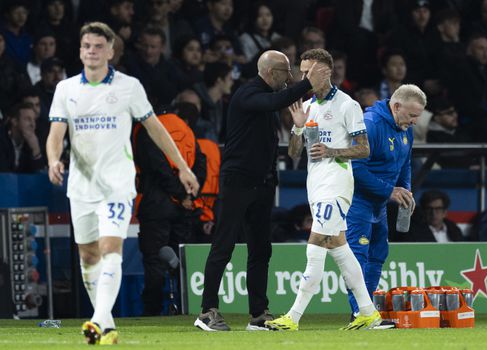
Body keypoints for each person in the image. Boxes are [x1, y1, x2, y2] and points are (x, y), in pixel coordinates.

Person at [46, 22, 199, 345]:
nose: (91, 51)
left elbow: (156, 129)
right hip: (81, 185)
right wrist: (53, 159)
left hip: (117, 183)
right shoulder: (66, 90)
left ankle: (98, 320)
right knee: (88, 255)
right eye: (86, 46)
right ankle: (108, 322)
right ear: (80, 50)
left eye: (98, 46)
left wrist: (183, 167)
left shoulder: (129, 87)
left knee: (111, 247)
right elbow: (56, 134)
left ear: (111, 51)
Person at [194, 50, 330, 332]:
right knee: (224, 245)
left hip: (262, 183)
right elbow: (275, 101)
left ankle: (258, 314)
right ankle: (206, 311)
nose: (290, 77)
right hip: (238, 182)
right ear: (271, 73)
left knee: (261, 250)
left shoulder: (262, 98)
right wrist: (307, 83)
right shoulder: (248, 94)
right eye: (286, 72)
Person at [265, 48, 381, 331]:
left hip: (337, 183)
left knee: (316, 242)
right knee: (337, 244)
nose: (303, 76)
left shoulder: (347, 105)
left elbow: (364, 149)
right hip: (315, 185)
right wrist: (297, 128)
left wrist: (331, 150)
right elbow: (294, 154)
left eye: (308, 71)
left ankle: (293, 317)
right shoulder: (308, 106)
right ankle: (368, 312)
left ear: (325, 71)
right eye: (301, 71)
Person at [345, 84, 426, 323]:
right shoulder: (370, 125)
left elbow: (405, 163)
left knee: (378, 255)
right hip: (357, 201)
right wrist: (390, 190)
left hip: (378, 204)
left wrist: (406, 190)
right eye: (411, 116)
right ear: (396, 106)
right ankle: (360, 313)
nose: (413, 122)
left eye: (417, 117)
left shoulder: (405, 129)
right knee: (358, 256)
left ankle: (366, 311)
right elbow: (355, 168)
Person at [134, 103, 207, 316]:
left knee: (155, 260)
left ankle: (153, 312)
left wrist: (177, 193)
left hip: (156, 206)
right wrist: (188, 195)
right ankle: (188, 309)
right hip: (185, 208)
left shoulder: (149, 129)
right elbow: (201, 165)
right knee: (183, 262)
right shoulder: (186, 130)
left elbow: (156, 168)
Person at [0, 102, 45, 173]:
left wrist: (36, 150)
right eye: (28, 119)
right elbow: (4, 175)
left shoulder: (33, 142)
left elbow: (38, 175)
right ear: (14, 121)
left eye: (34, 120)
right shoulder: (2, 140)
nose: (32, 124)